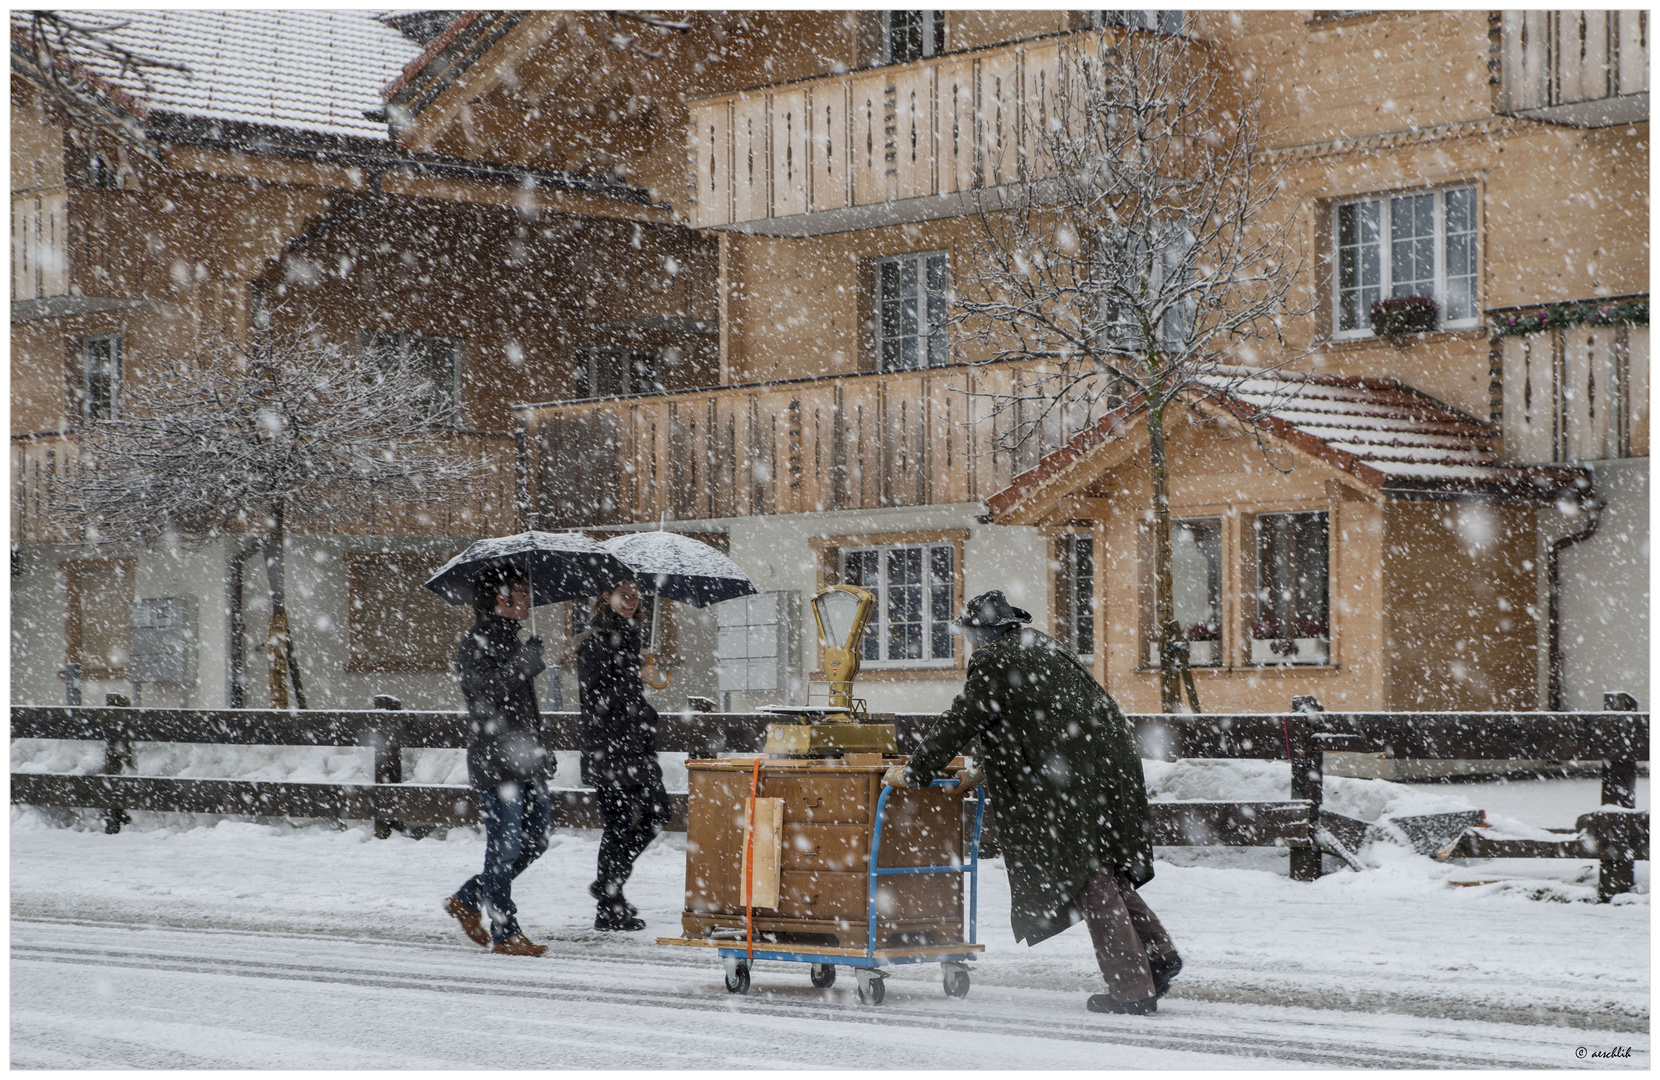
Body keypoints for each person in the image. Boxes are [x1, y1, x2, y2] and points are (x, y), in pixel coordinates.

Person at [885, 590, 1181, 1015]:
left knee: (1086, 876)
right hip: (1106, 763)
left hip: (1071, 773)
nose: (968, 643)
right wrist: (986, 767)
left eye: (969, 634)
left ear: (982, 633)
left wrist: (914, 771)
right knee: (1101, 866)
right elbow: (1032, 715)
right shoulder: (1038, 644)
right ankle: (1157, 954)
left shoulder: (992, 660)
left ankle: (1132, 990)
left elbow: (964, 718)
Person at [445, 566, 554, 957]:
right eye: (520, 593)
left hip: (526, 761)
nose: (528, 599)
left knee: (536, 842)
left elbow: (524, 710)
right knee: (505, 849)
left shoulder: (515, 641)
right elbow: (484, 697)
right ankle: (505, 932)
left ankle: (467, 897)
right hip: (497, 763)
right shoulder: (474, 643)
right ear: (499, 598)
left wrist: (541, 750)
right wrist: (524, 663)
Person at [576, 579, 672, 932]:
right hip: (609, 747)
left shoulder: (629, 635)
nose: (631, 601)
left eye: (635, 595)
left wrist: (640, 689)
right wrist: (636, 675)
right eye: (624, 594)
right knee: (618, 825)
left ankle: (609, 886)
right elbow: (596, 698)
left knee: (658, 813)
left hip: (633, 746)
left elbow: (623, 695)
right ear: (607, 596)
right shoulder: (596, 638)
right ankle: (609, 902)